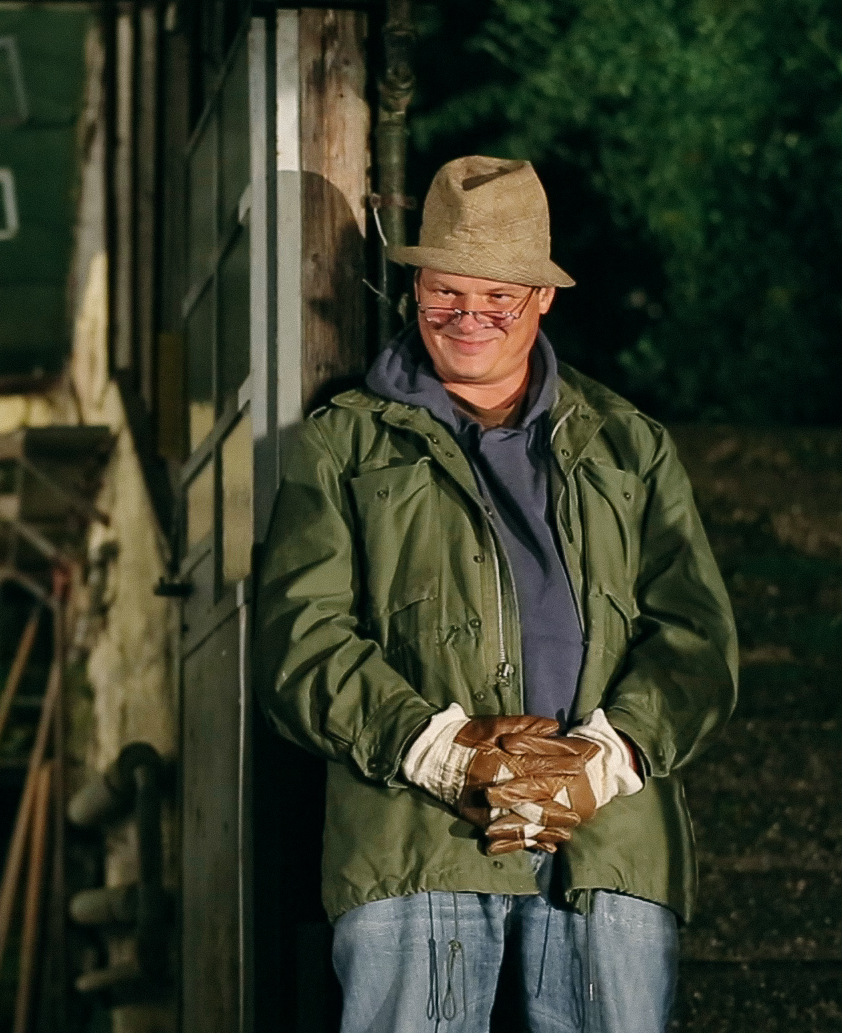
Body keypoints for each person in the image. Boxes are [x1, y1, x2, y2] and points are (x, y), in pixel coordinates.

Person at [255, 156, 739, 1032]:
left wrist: (608, 758)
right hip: (411, 841)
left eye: (496, 299)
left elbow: (698, 637)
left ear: (543, 297)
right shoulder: (340, 448)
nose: (467, 318)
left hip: (609, 846)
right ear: (415, 292)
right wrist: (446, 750)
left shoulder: (632, 446)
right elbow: (298, 642)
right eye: (445, 295)